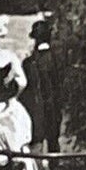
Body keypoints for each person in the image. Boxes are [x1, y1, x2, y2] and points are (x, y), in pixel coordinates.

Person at [18, 18, 63, 156]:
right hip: (53, 105)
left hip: (35, 106)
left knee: (36, 142)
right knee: (53, 141)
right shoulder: (57, 59)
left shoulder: (29, 62)